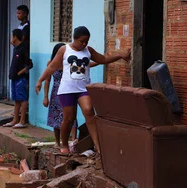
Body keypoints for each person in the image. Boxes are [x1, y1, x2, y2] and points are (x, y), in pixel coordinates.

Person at [35, 26, 130, 154]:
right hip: (67, 89)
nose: (84, 44)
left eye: (86, 41)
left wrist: (120, 55)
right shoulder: (64, 50)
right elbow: (52, 67)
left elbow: (103, 59)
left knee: (89, 111)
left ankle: (98, 146)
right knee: (69, 118)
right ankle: (64, 145)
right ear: (74, 38)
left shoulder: (88, 50)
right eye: (82, 41)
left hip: (83, 89)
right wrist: (40, 80)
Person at [43, 43, 78, 147]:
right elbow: (47, 80)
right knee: (55, 117)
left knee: (71, 116)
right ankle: (57, 142)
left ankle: (73, 140)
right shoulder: (51, 63)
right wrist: (45, 97)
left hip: (69, 91)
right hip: (56, 93)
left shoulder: (70, 62)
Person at [3, 29, 32, 128]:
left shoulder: (23, 49)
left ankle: (22, 121)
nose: (11, 38)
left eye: (12, 36)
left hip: (21, 78)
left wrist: (20, 72)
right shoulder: (15, 48)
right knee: (16, 100)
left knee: (23, 98)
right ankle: (15, 120)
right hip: (14, 78)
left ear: (15, 37)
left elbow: (30, 64)